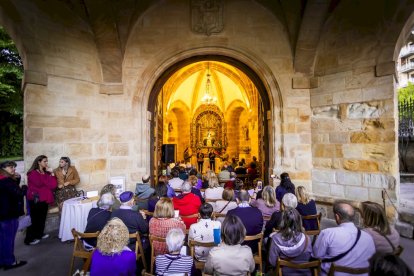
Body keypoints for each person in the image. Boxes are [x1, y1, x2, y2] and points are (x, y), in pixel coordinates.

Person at [313, 201, 375, 275]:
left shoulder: (327, 233)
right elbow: (372, 259)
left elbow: (316, 256)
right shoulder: (368, 238)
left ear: (337, 217)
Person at [0, 161, 28, 270]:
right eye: (10, 167)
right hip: (9, 214)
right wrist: (25, 187)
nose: (13, 169)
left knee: (2, 239)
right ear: (3, 168)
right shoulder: (6, 181)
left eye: (14, 167)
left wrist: (16, 178)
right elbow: (19, 193)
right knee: (8, 239)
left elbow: (10, 191)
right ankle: (9, 262)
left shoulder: (3, 179)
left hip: (3, 214)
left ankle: (2, 261)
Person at [25, 155, 57, 245]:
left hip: (45, 199)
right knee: (34, 219)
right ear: (39, 162)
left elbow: (53, 185)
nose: (46, 163)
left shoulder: (46, 173)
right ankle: (29, 239)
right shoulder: (32, 173)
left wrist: (52, 174)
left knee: (42, 218)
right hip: (36, 199)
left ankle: (39, 234)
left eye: (47, 161)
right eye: (44, 161)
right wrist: (45, 175)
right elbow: (39, 183)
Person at [268, 209, 312, 275]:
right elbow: (309, 257)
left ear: (283, 221)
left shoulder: (276, 239)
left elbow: (273, 262)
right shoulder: (307, 239)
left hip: (284, 273)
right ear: (299, 221)